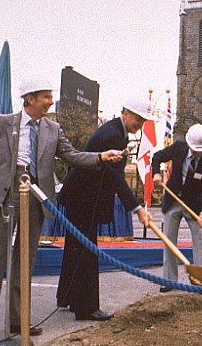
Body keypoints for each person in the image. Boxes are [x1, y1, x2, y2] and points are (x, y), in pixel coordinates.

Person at [0, 78, 124, 346]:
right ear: (30, 99)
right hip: (3, 195)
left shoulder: (53, 128)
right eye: (47, 97)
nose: (51, 101)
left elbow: (71, 156)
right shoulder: (2, 124)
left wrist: (99, 157)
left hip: (34, 198)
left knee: (25, 261)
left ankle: (18, 320)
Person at [56, 99, 153, 320]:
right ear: (126, 113)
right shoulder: (114, 135)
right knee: (87, 250)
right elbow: (116, 177)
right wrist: (137, 208)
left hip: (79, 196)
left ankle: (67, 297)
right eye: (138, 118)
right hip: (83, 198)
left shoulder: (116, 131)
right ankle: (86, 307)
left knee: (74, 248)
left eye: (143, 120)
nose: (140, 123)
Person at [152, 124, 202, 292]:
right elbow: (157, 157)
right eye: (195, 150)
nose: (198, 153)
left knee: (201, 241)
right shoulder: (178, 148)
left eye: (201, 150)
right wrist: (156, 174)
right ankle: (169, 281)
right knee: (169, 241)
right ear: (189, 144)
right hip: (173, 201)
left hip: (194, 206)